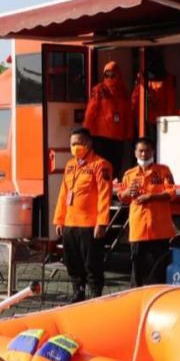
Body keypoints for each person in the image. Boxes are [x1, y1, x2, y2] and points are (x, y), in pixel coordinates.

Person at [53, 128, 112, 303]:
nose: (76, 146)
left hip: (90, 225)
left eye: (79, 143)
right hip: (71, 223)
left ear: (89, 144)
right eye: (73, 144)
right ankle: (78, 292)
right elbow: (63, 193)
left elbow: (104, 195)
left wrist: (101, 223)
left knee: (92, 264)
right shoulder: (70, 165)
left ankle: (95, 296)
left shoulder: (100, 165)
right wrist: (59, 219)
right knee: (72, 262)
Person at [117, 139, 176, 287]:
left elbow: (172, 192)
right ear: (135, 152)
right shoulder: (129, 174)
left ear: (153, 152)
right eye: (141, 151)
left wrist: (151, 197)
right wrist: (128, 192)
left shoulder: (163, 171)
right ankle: (135, 296)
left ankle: (159, 296)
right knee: (137, 266)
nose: (144, 154)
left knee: (160, 267)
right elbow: (121, 197)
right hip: (139, 228)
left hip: (160, 229)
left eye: (147, 151)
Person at [83, 60, 132, 175]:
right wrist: (86, 132)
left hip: (118, 137)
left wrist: (129, 133)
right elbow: (91, 112)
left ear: (118, 75)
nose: (109, 77)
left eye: (112, 74)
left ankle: (113, 190)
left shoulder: (124, 92)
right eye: (107, 74)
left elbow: (128, 115)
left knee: (115, 167)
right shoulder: (99, 90)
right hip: (100, 137)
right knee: (102, 166)